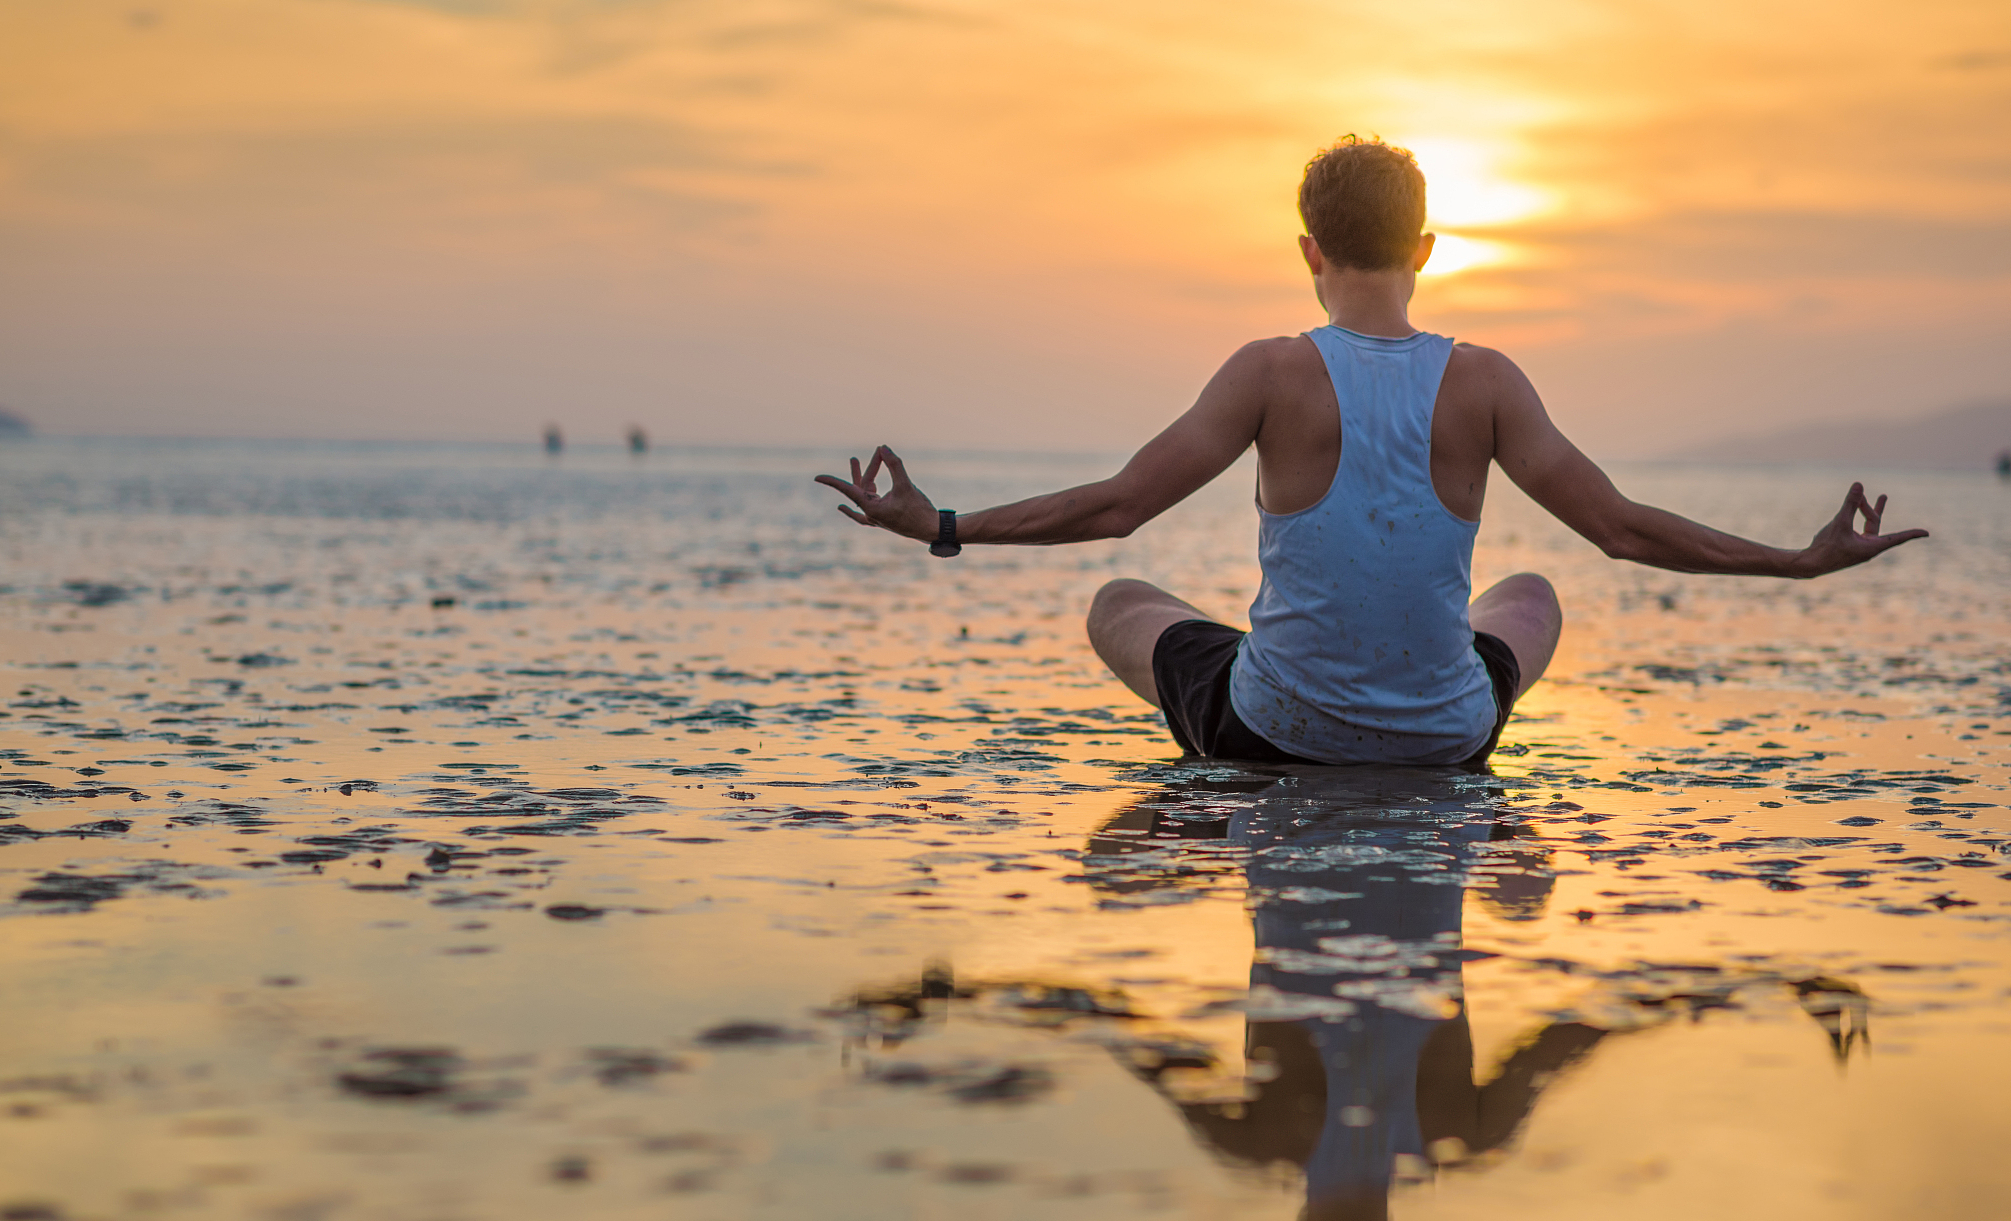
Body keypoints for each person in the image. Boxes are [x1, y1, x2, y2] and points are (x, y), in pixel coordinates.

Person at [815, 135, 1928, 767]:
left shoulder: (1268, 370)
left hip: (1273, 731)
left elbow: (1116, 506)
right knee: (1531, 588)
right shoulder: (1485, 380)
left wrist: (945, 526)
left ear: (1308, 248)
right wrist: (1796, 561)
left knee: (1120, 595)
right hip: (1443, 738)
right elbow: (1624, 531)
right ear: (1425, 249)